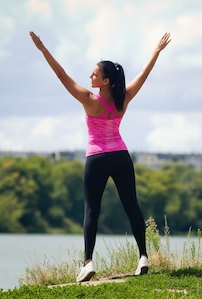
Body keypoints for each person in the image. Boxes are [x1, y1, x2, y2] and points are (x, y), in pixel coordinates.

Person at [29, 30, 171, 282]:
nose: (90, 76)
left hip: (96, 158)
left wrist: (43, 50)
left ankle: (88, 262)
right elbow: (145, 75)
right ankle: (143, 256)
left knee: (91, 210)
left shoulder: (88, 99)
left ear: (105, 81)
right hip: (120, 156)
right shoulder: (123, 98)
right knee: (132, 206)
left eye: (94, 74)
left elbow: (61, 75)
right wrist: (156, 52)